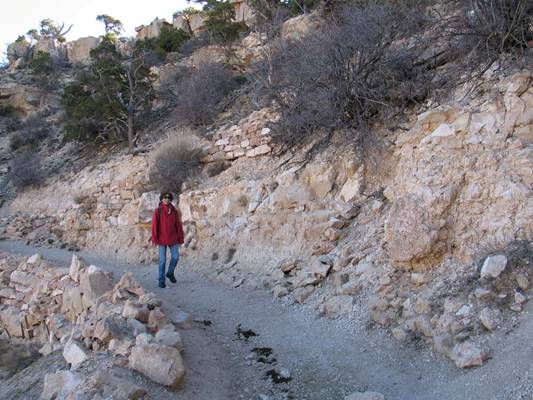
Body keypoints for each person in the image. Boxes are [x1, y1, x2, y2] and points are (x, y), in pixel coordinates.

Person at [151, 191, 185, 288]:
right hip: (162, 239)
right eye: (165, 197)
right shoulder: (158, 211)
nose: (167, 199)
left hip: (173, 238)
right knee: (162, 261)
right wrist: (154, 238)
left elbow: (178, 225)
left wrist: (180, 238)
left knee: (175, 257)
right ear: (162, 199)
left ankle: (170, 273)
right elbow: (154, 225)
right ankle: (161, 281)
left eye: (169, 197)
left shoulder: (174, 211)